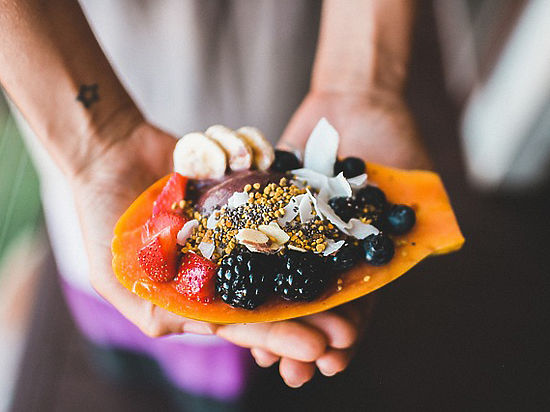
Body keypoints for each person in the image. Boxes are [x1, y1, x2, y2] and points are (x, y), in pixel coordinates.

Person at [0, 0, 430, 407]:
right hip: (66, 69)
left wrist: (359, 84)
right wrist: (97, 144)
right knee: (121, 331)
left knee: (248, 373)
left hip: (275, 54)